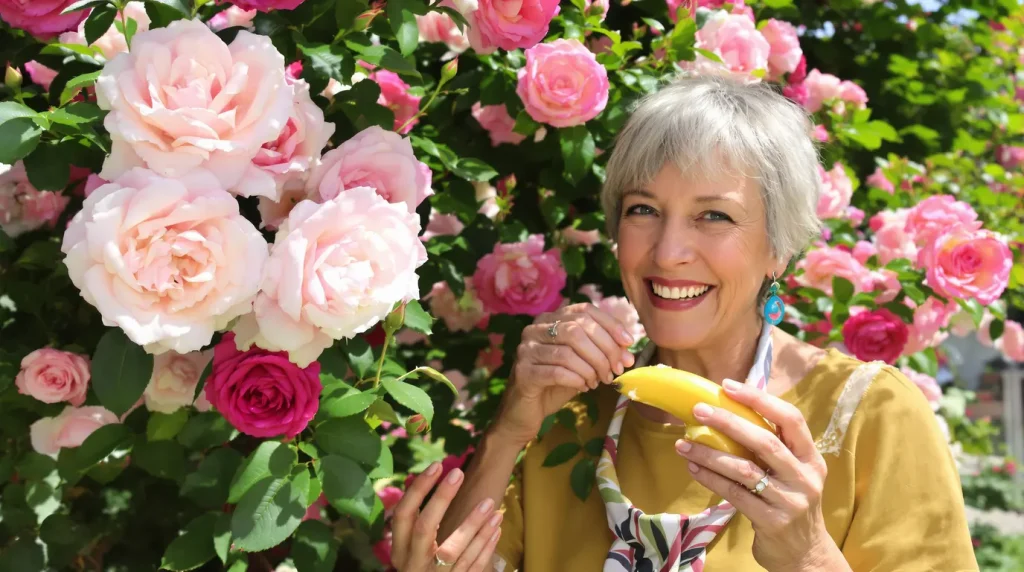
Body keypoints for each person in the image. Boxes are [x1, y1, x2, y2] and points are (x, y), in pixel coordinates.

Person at [389, 75, 979, 571]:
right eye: (643, 209)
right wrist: (510, 428)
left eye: (713, 216)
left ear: (779, 248)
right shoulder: (568, 416)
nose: (669, 252)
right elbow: (451, 560)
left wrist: (810, 556)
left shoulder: (870, 415)